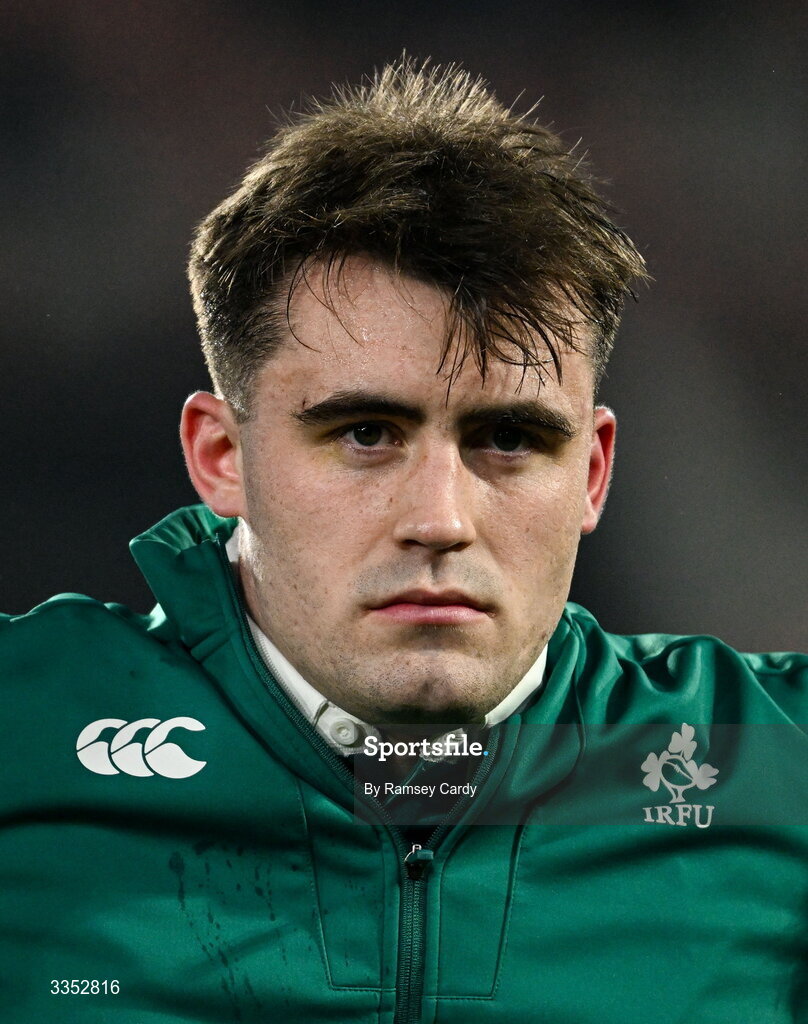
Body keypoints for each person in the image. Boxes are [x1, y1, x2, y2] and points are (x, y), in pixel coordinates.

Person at [1, 59, 805, 1024]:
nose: (441, 520)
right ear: (222, 457)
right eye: (365, 433)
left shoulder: (775, 762)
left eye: (509, 438)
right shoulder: (23, 729)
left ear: (592, 474)